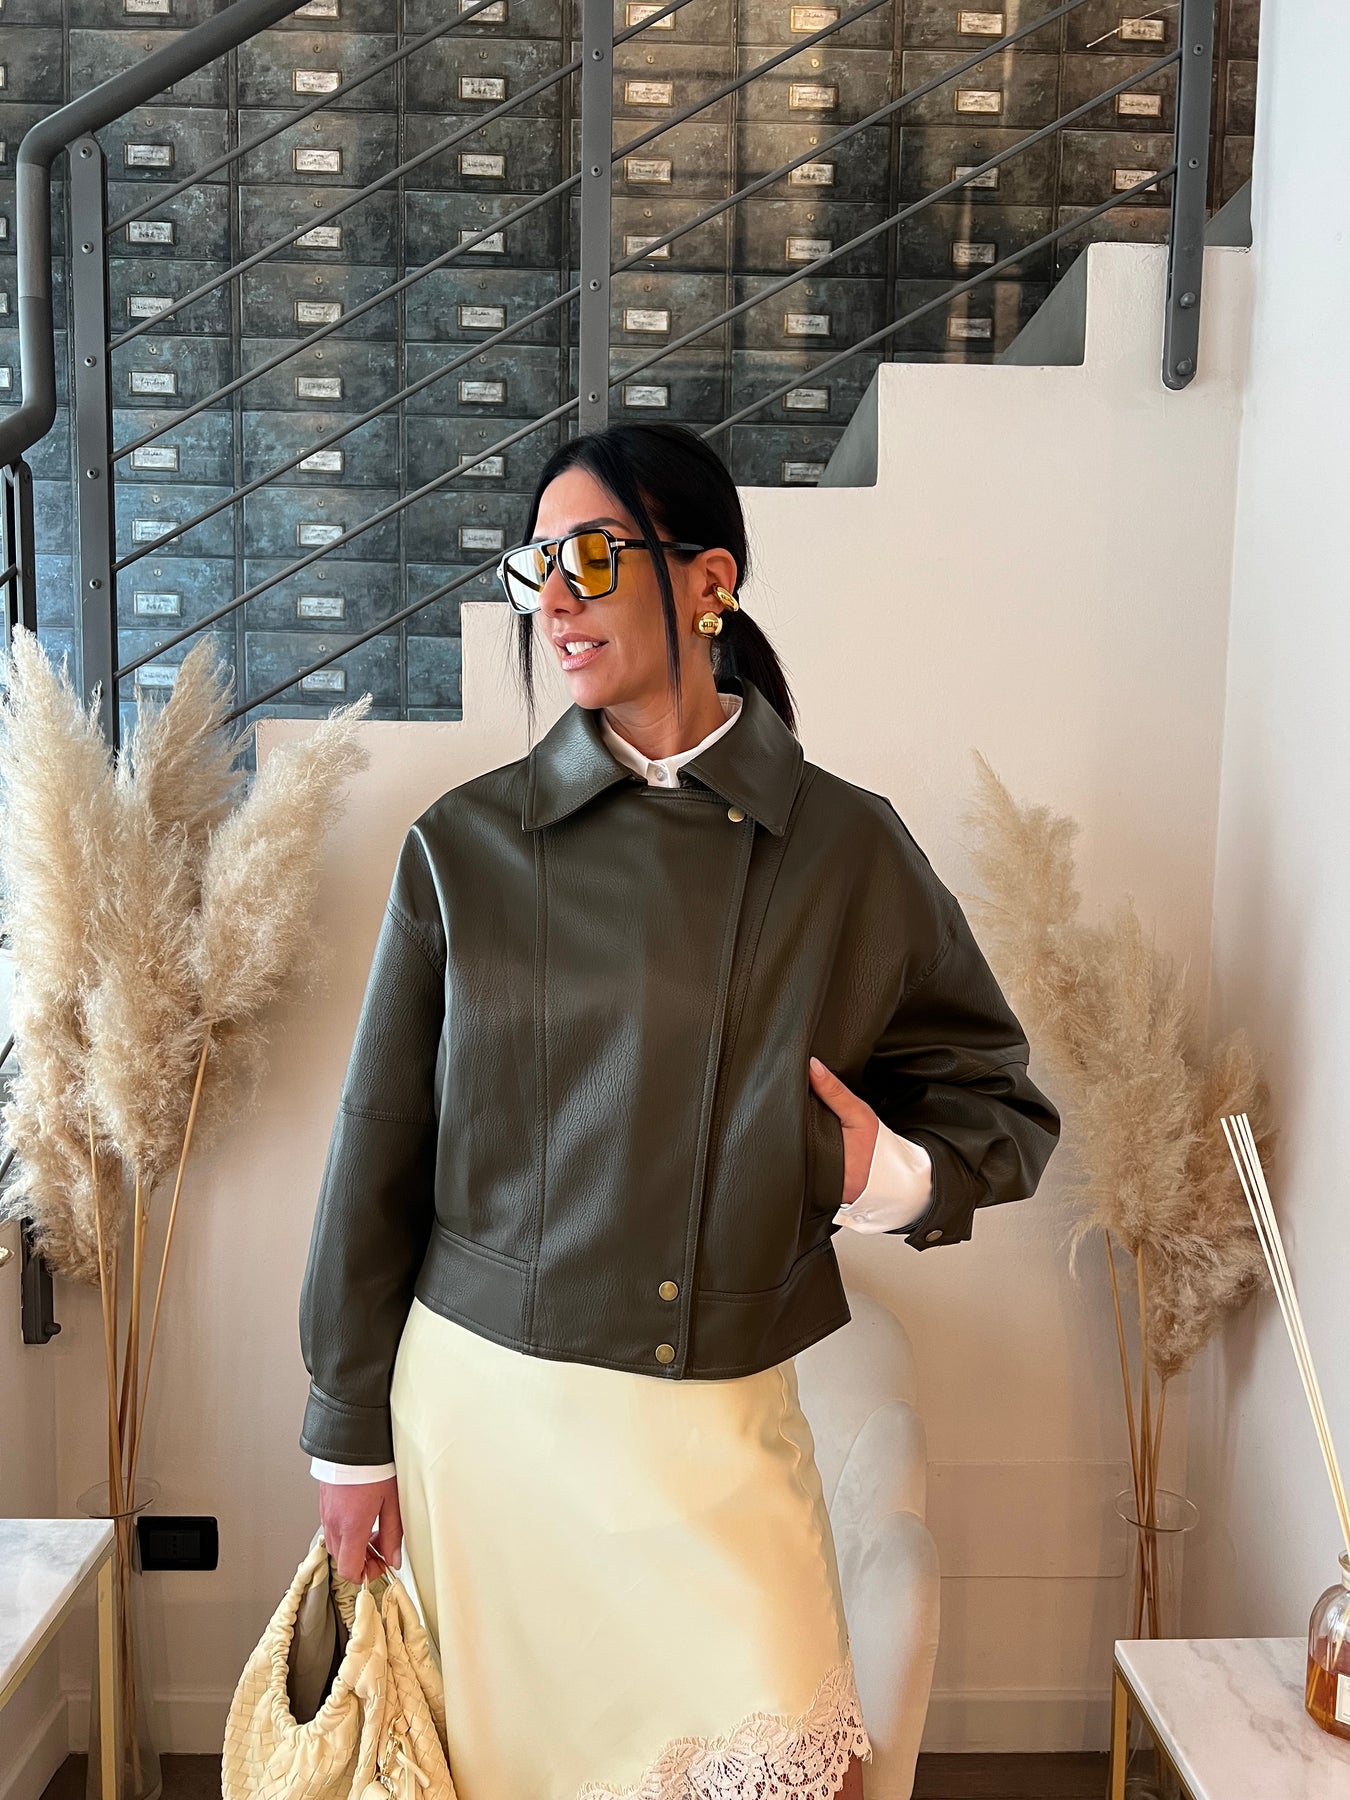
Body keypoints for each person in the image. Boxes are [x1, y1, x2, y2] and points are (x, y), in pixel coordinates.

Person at [297, 422, 1062, 1800]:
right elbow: (377, 1150)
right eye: (537, 565)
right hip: (489, 1424)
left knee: (792, 1770)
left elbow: (996, 1105)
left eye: (592, 556)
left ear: (710, 580)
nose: (556, 596)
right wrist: (348, 1429)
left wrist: (876, 1174)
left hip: (719, 1429)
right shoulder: (466, 847)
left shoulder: (844, 847)